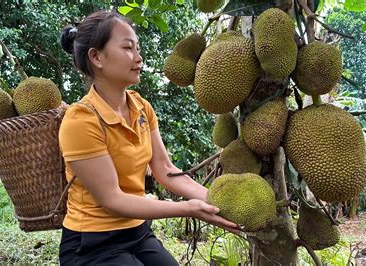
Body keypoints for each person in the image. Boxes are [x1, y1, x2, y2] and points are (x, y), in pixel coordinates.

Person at [58, 10, 240, 265]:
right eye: (128, 48)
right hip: (91, 243)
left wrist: (217, 202)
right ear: (96, 57)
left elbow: (165, 170)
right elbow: (112, 200)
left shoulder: (142, 107)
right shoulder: (81, 120)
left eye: (138, 48)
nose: (138, 57)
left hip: (137, 233)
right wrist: (187, 209)